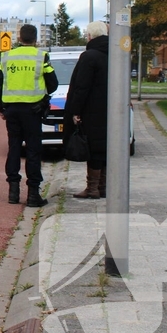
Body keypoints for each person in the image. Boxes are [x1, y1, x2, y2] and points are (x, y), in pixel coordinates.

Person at [0, 24, 58, 207]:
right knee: (33, 150)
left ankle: (13, 192)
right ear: (35, 39)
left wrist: (1, 108)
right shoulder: (41, 56)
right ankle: (33, 194)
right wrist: (43, 96)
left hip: (12, 110)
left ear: (19, 38)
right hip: (33, 110)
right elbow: (53, 84)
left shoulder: (6, 57)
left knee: (14, 147)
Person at [64, 21, 110, 199]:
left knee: (93, 148)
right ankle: (103, 186)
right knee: (105, 147)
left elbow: (81, 86)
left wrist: (75, 111)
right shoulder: (116, 54)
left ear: (90, 36)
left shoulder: (89, 57)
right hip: (111, 109)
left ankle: (92, 188)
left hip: (91, 110)